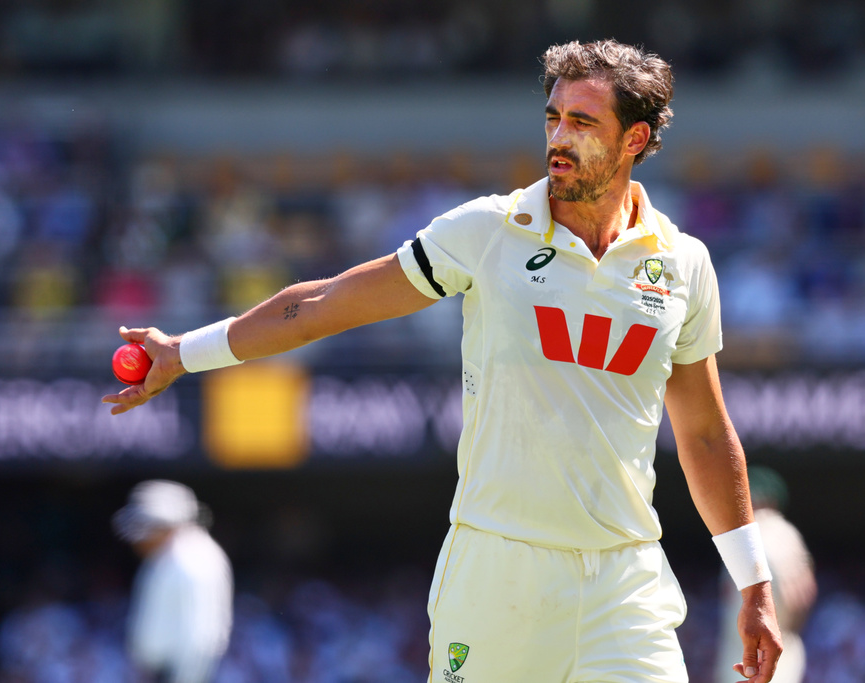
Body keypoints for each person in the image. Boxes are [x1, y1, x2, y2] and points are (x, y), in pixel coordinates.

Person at [104, 39, 782, 683]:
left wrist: (754, 580)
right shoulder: (486, 231)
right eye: (552, 117)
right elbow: (324, 304)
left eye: (582, 121)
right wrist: (184, 353)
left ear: (634, 139)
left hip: (626, 578)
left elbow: (703, 431)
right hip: (497, 570)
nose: (557, 136)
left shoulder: (684, 264)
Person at [112, 479, 234, 683]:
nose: (138, 539)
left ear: (164, 525)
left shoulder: (192, 559)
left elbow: (200, 639)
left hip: (177, 674)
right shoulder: (169, 556)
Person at [715, 467, 815, 683]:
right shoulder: (784, 533)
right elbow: (804, 594)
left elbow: (799, 593)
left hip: (750, 649)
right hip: (773, 645)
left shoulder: (761, 531)